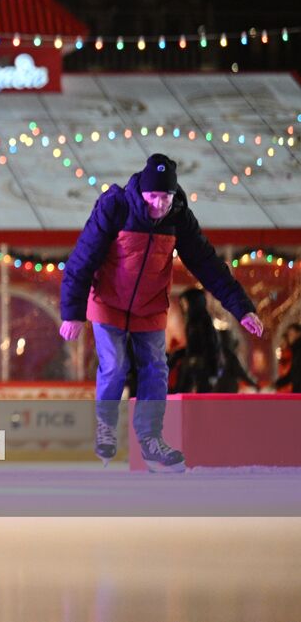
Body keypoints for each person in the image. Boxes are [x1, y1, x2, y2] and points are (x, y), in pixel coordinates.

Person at [59, 153, 264, 472]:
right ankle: (105, 425)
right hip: (108, 301)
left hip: (150, 303)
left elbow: (208, 265)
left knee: (155, 368)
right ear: (142, 191)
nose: (159, 204)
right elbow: (82, 260)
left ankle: (151, 438)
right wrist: (72, 313)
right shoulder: (116, 206)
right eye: (153, 196)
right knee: (114, 366)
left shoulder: (179, 216)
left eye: (165, 197)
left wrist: (242, 309)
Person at [171, 288, 222, 393]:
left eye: (185, 303)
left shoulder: (203, 321)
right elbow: (193, 347)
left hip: (201, 369)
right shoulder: (191, 323)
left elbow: (211, 346)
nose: (183, 306)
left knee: (198, 398)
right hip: (192, 367)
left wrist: (213, 370)